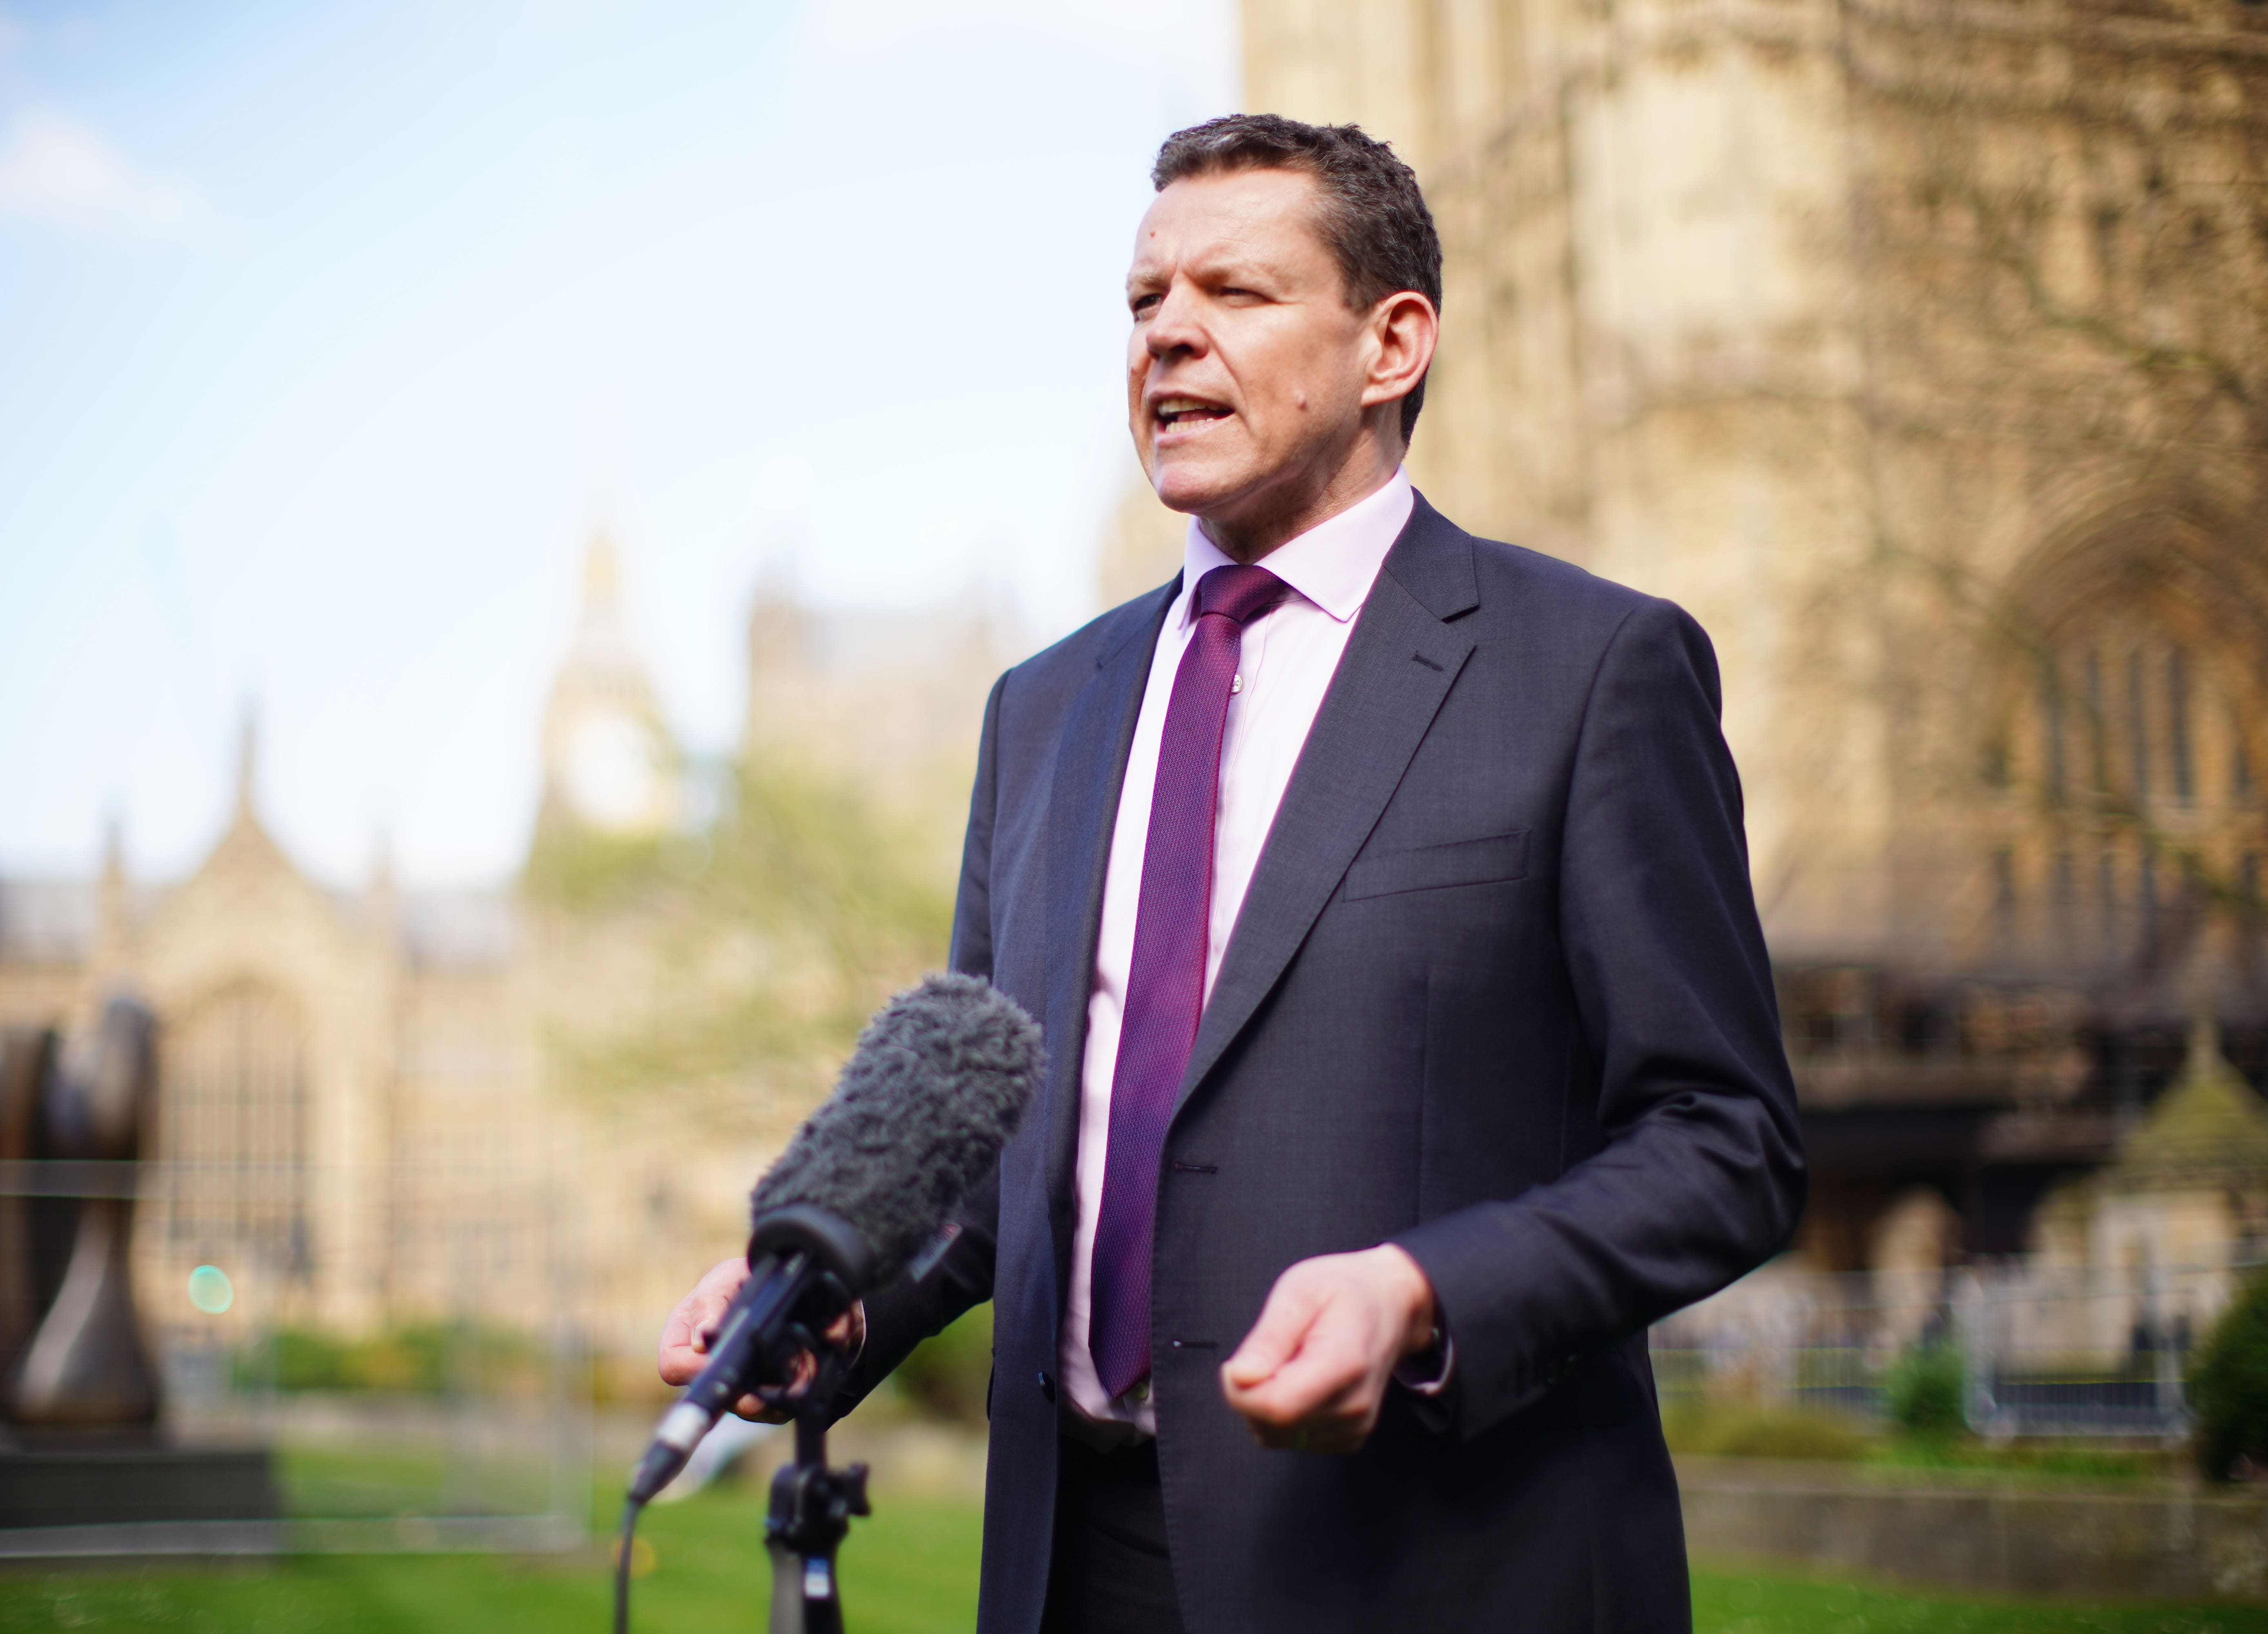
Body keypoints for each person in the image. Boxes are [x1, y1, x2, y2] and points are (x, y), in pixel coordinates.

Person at [662, 113, 1804, 1634]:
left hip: (1443, 1570)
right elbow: (1000, 1149)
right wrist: (846, 1297)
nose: (1169, 338)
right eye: (1145, 305)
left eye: (1236, 295)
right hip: (1076, 1572)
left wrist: (1425, 1292)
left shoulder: (1593, 669)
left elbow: (1724, 1141)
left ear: (1392, 343)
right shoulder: (1043, 710)